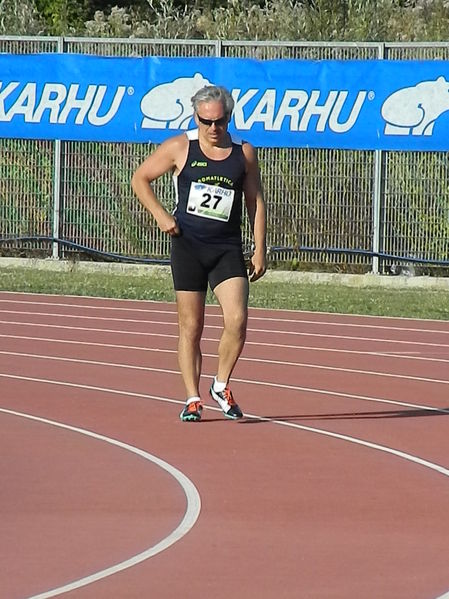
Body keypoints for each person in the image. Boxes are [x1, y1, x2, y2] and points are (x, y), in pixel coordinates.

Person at [131, 85, 267, 422]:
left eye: (218, 122)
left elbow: (255, 201)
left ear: (229, 118)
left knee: (237, 320)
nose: (212, 128)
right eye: (205, 121)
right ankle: (192, 397)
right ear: (196, 118)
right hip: (188, 246)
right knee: (191, 326)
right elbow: (140, 179)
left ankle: (220, 384)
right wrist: (162, 216)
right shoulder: (181, 147)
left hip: (226, 248)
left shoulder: (243, 153)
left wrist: (261, 248)